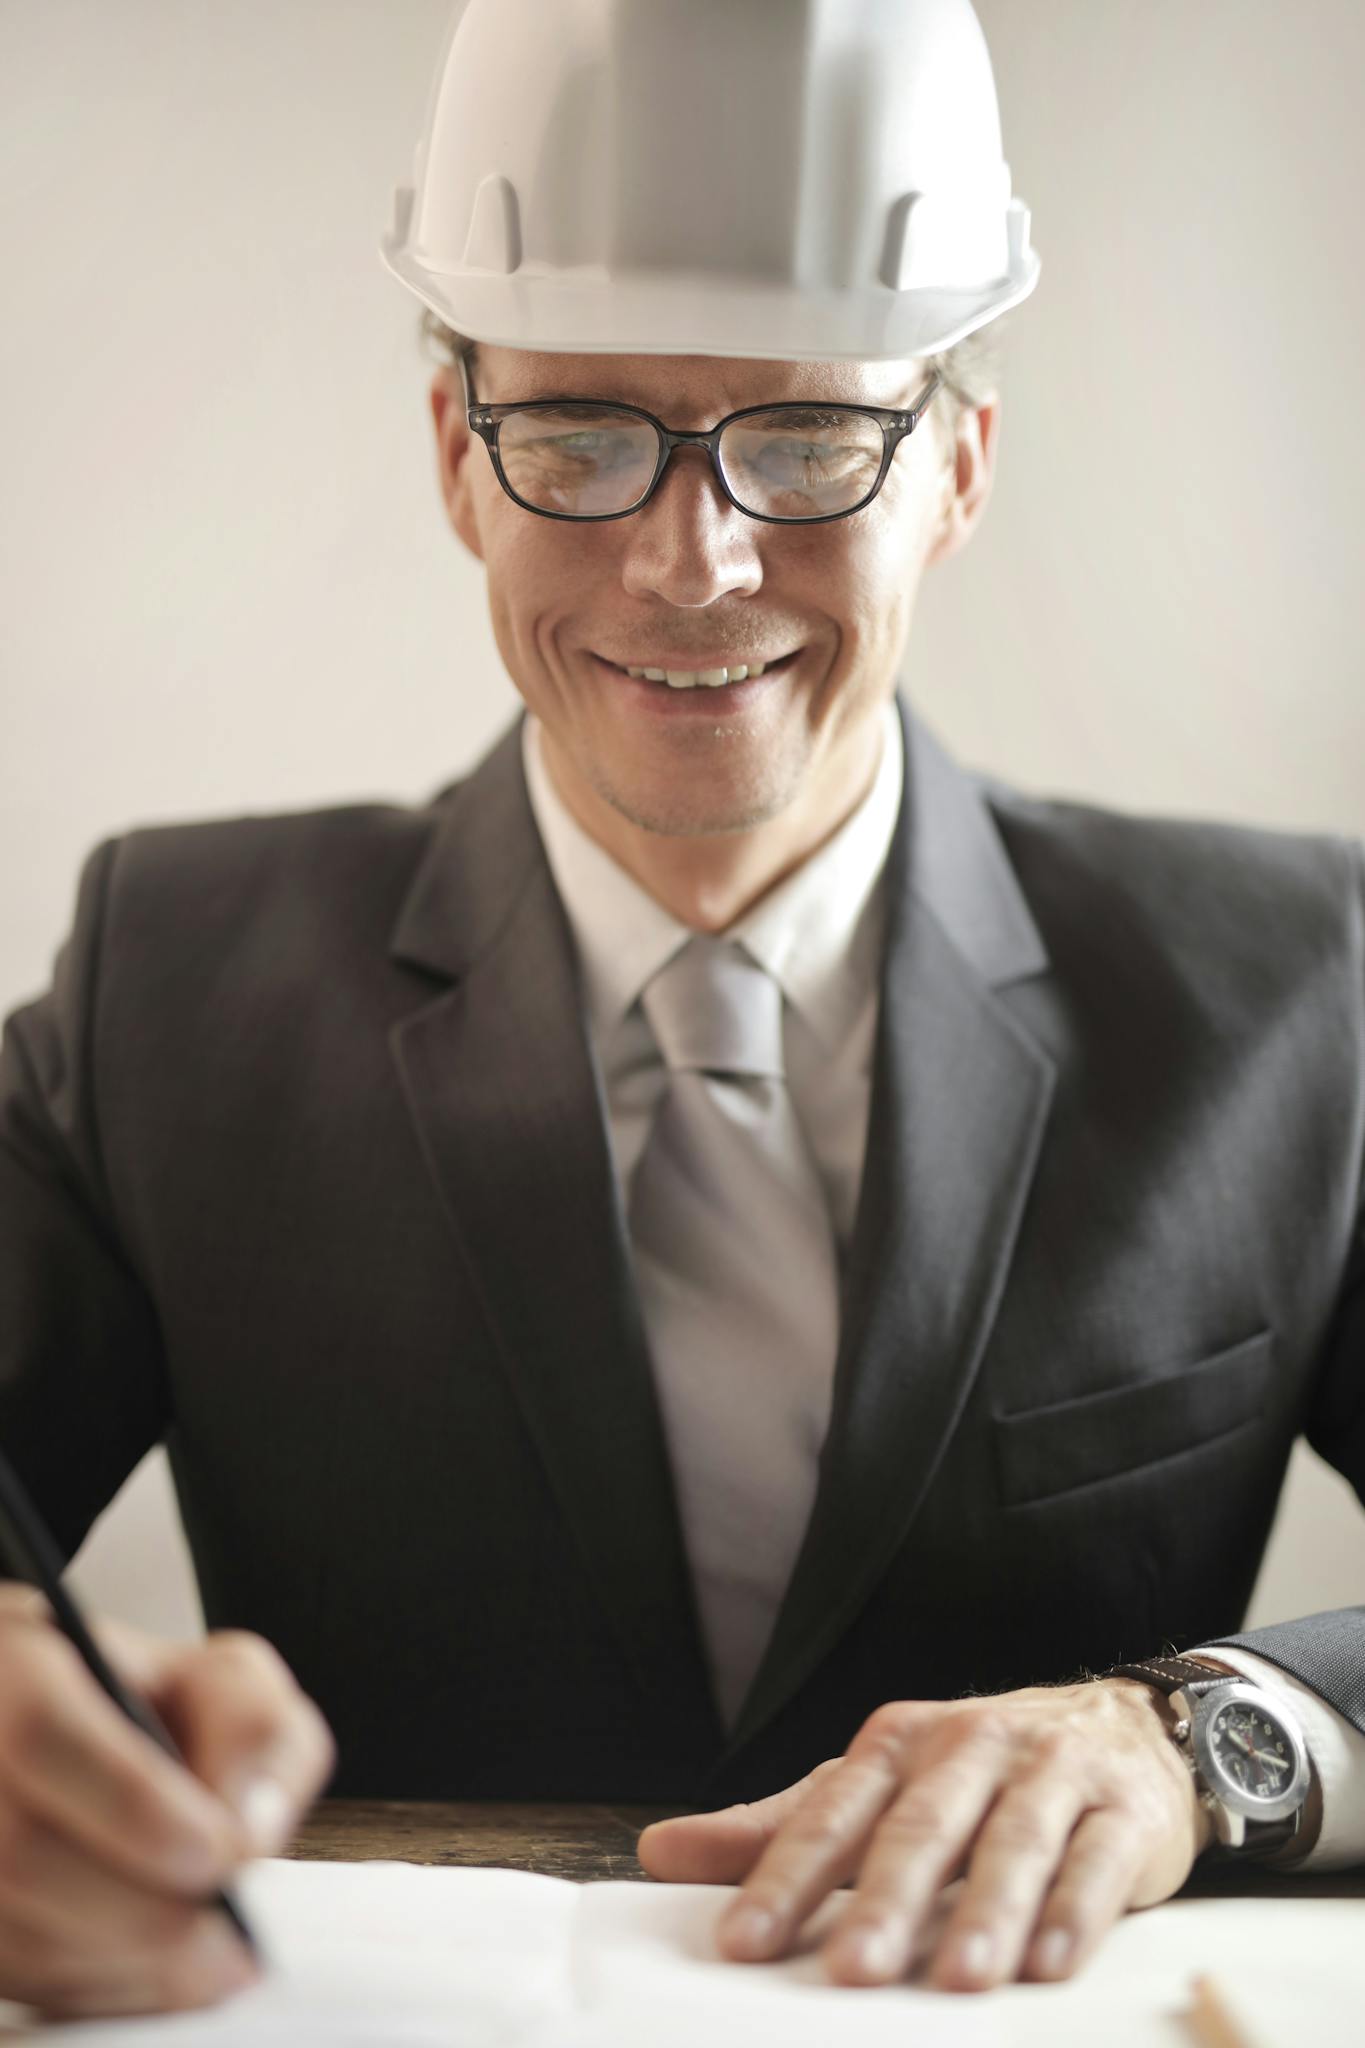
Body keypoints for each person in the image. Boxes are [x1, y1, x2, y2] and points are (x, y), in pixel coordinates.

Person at [1, 0, 1362, 2022]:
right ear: (459, 457)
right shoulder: (170, 977)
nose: (692, 559)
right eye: (579, 431)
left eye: (808, 435)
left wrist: (1201, 1739)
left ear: (957, 470)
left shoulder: (1285, 990)